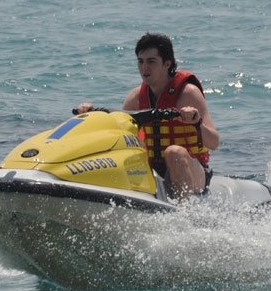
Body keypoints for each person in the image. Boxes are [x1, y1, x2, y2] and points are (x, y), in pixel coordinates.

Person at [77, 32, 219, 198]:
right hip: (153, 171)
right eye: (140, 61)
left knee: (174, 152)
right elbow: (116, 134)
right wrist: (88, 114)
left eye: (151, 62)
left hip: (194, 170)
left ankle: (185, 214)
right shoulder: (136, 98)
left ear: (167, 64)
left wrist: (196, 123)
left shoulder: (188, 94)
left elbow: (214, 142)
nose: (144, 68)